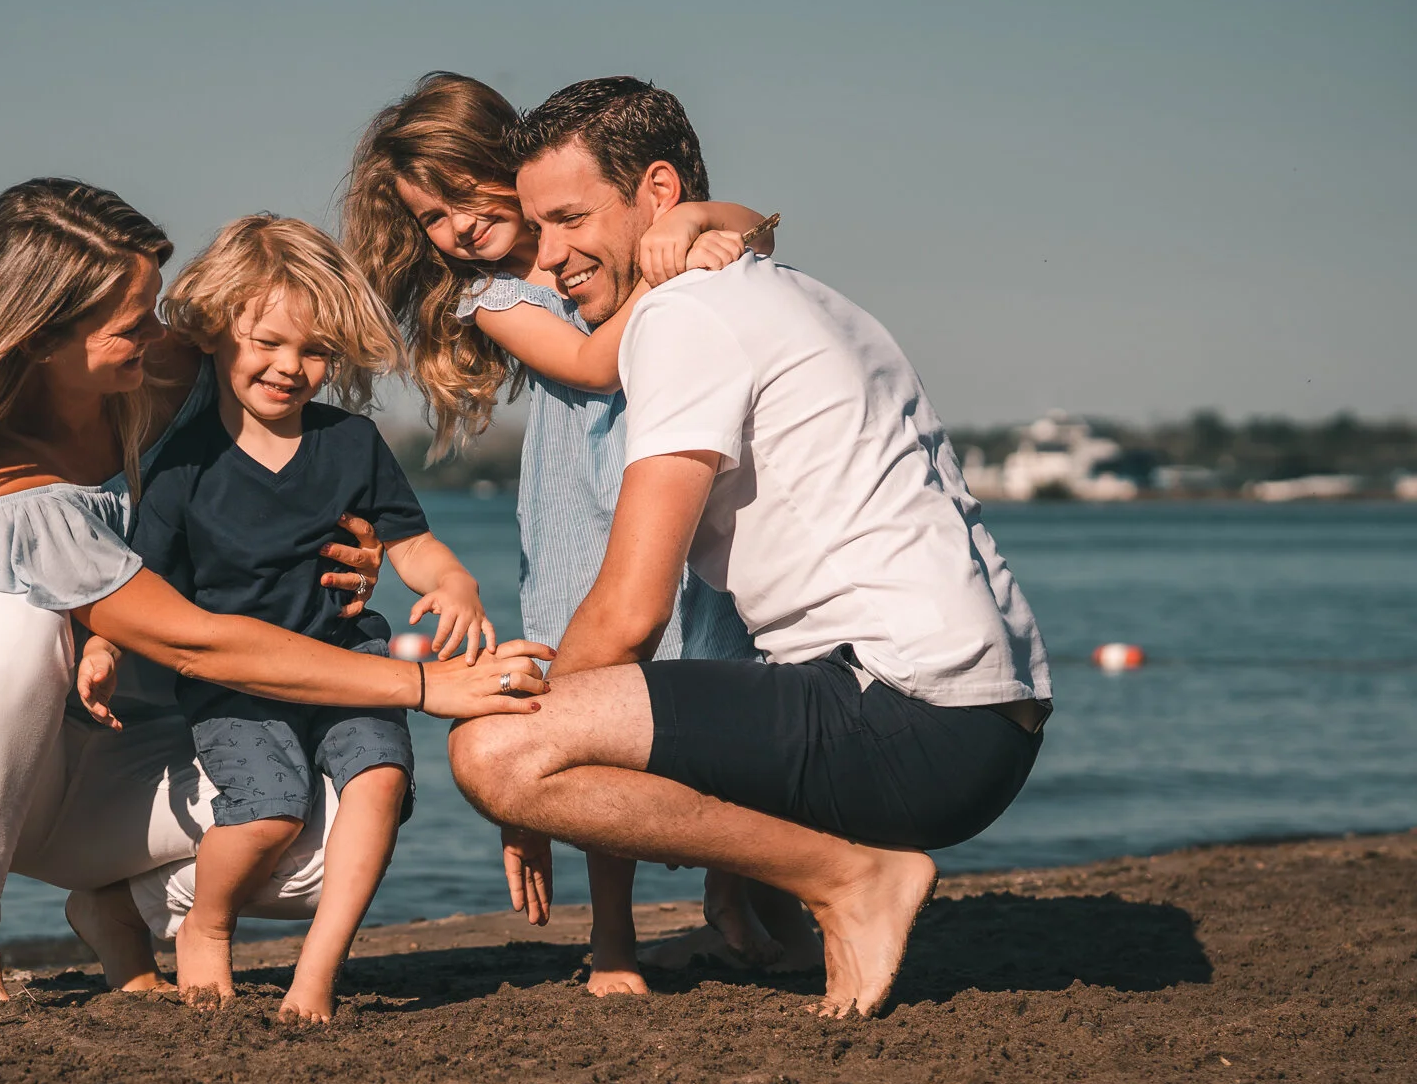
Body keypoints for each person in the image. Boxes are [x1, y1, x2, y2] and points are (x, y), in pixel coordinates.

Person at [0, 178, 550, 1013]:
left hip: (104, 763)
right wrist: (429, 685)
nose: (162, 333)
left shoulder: (177, 369)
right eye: (132, 323)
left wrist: (335, 554)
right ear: (45, 338)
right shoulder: (2, 470)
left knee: (326, 835)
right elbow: (196, 641)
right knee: (15, 620)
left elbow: (274, 390)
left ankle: (122, 904)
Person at [448, 79, 1052, 1018]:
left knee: (493, 751)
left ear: (657, 193)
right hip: (986, 718)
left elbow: (631, 606)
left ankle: (852, 880)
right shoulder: (796, 293)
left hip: (909, 719)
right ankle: (792, 901)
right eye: (538, 227)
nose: (552, 255)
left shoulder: (682, 317)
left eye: (570, 219)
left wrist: (531, 778)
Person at [343, 73, 804, 993]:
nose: (455, 230)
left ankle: (736, 890)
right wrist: (689, 266)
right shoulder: (499, 297)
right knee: (589, 701)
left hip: (679, 493)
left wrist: (715, 226)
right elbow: (596, 365)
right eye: (430, 219)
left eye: (465, 195)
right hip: (581, 517)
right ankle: (614, 938)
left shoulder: (617, 252)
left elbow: (761, 221)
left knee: (721, 669)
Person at [103, 213, 493, 1020]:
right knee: (270, 811)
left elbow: (410, 541)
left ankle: (318, 971)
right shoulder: (186, 465)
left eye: (314, 350)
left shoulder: (351, 444)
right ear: (215, 334)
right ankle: (206, 926)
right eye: (268, 343)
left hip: (351, 662)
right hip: (236, 691)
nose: (291, 367)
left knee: (381, 779)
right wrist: (102, 645)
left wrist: (453, 582)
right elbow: (144, 590)